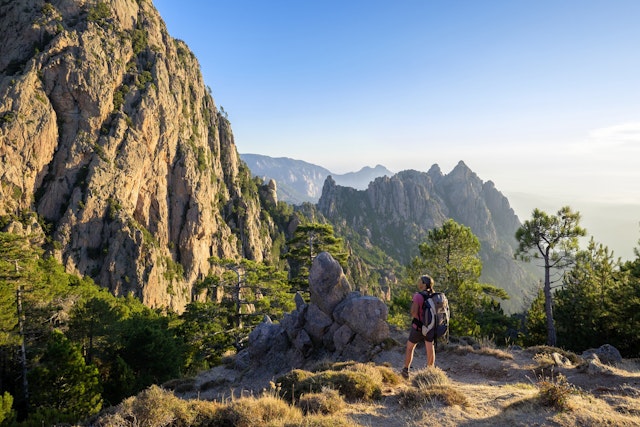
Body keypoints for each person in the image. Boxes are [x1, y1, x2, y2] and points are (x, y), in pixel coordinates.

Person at [402, 274, 436, 379]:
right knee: (430, 349)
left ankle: (406, 370)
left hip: (418, 327)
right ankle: (430, 372)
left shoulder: (418, 296)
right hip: (430, 327)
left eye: (420, 281)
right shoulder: (434, 295)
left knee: (410, 348)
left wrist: (418, 318)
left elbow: (413, 312)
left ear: (424, 284)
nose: (418, 283)